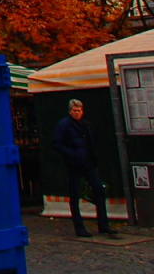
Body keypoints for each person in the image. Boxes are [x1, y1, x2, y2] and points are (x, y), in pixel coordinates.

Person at [53, 99, 118, 238]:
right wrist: (72, 154)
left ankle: (104, 224)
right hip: (74, 164)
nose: (77, 113)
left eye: (79, 110)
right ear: (70, 111)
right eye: (75, 111)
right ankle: (80, 227)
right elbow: (57, 144)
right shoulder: (64, 125)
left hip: (88, 162)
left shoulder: (86, 124)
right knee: (75, 195)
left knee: (99, 191)